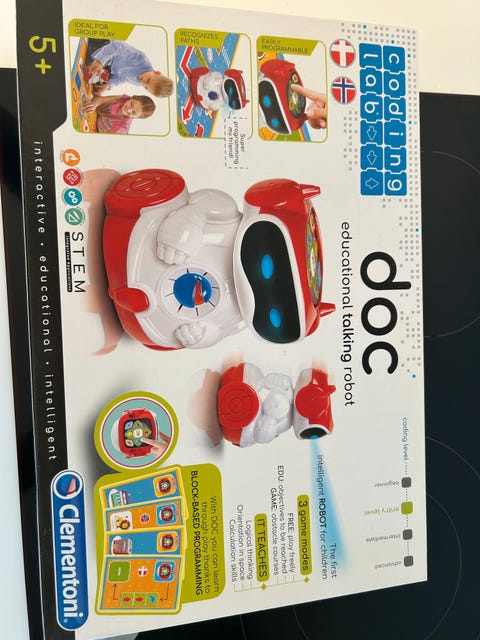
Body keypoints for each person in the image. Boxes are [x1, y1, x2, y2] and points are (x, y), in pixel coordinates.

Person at [87, 39, 174, 98]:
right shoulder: (140, 59)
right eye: (148, 81)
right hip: (108, 48)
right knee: (90, 61)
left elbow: (122, 78)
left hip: (110, 67)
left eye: (146, 88)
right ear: (156, 73)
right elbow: (117, 45)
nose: (143, 83)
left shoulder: (139, 82)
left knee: (98, 82)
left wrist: (109, 84)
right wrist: (100, 61)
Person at [84, 94, 156, 134]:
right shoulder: (123, 99)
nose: (129, 109)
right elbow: (101, 99)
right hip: (94, 117)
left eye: (133, 112)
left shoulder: (122, 127)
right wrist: (94, 105)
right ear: (132, 98)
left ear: (135, 117)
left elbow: (106, 142)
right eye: (131, 104)